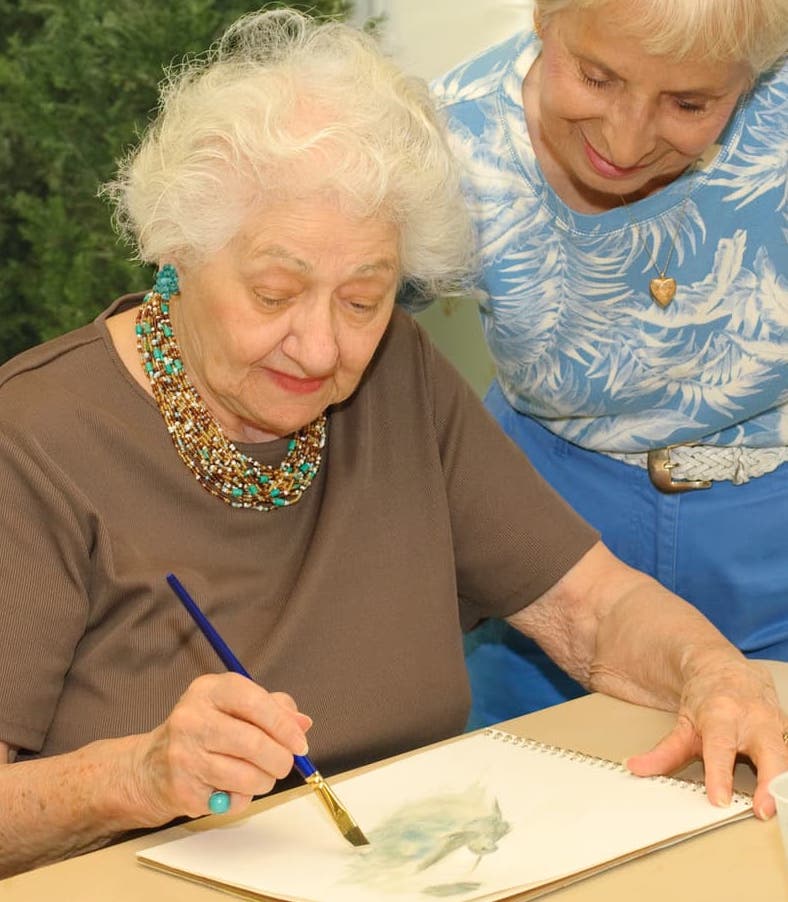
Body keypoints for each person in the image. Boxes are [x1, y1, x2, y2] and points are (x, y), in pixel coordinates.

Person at [0, 8, 785, 879]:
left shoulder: (394, 381)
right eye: (273, 293)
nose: (321, 346)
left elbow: (591, 609)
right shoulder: (34, 444)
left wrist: (713, 672)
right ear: (179, 250)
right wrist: (135, 777)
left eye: (362, 299)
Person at [431, 0, 788, 728]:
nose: (624, 144)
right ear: (542, 18)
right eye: (596, 79)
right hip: (549, 555)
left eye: (689, 102)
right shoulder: (454, 139)